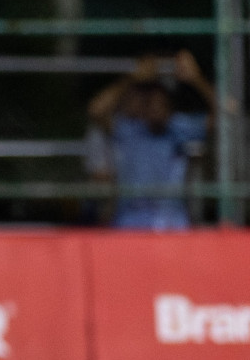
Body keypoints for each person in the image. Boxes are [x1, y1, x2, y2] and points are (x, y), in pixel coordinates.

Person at [87, 50, 215, 231]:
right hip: (130, 221)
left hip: (172, 222)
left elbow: (222, 115)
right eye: (151, 104)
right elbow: (96, 111)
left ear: (170, 108)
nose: (156, 109)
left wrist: (196, 79)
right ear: (143, 109)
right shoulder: (130, 130)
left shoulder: (178, 129)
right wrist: (131, 79)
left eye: (161, 104)